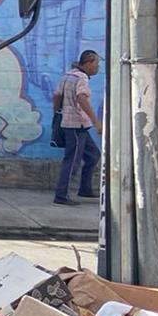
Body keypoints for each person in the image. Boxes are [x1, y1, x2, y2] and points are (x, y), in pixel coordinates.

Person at [53, 50, 102, 206]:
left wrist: (58, 112)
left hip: (76, 124)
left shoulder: (68, 75)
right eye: (96, 64)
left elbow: (56, 96)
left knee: (93, 155)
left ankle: (85, 189)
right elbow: (81, 98)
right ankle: (62, 195)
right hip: (76, 124)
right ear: (88, 63)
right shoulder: (81, 79)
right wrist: (96, 121)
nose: (97, 68)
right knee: (72, 160)